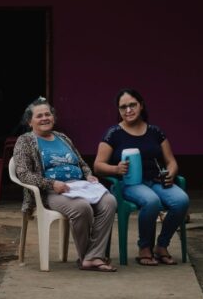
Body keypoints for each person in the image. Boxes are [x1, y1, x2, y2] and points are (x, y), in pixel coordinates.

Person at [13, 97, 118, 272]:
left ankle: (92, 256)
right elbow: (23, 174)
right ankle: (89, 257)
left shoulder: (62, 137)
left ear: (53, 118)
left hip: (80, 186)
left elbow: (81, 163)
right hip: (52, 192)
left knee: (110, 202)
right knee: (82, 208)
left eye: (48, 114)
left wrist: (89, 175)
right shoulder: (25, 141)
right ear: (30, 121)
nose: (45, 118)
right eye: (39, 116)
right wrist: (51, 183)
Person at [93, 88, 189, 266]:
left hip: (156, 181)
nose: (128, 110)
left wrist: (171, 173)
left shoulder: (155, 131)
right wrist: (116, 169)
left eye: (132, 105)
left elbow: (171, 161)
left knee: (181, 200)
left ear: (141, 106)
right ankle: (144, 247)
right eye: (123, 107)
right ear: (119, 111)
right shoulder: (113, 134)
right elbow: (98, 165)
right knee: (151, 201)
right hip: (129, 183)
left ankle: (161, 246)